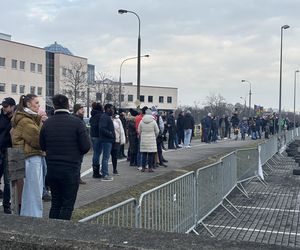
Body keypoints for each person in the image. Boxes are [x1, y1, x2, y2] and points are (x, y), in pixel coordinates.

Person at [39, 94, 90, 220]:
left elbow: (42, 145)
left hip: (52, 169)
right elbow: (85, 146)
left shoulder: (47, 123)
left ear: (54, 106)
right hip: (71, 168)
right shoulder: (77, 123)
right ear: (68, 105)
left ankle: (52, 230)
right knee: (67, 205)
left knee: (55, 203)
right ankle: (61, 233)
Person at [11, 94, 45, 218]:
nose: (38, 105)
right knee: (34, 190)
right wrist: (41, 123)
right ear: (29, 104)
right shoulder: (26, 121)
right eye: (36, 103)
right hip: (30, 157)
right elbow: (37, 140)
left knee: (31, 190)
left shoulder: (26, 119)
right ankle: (34, 217)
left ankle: (30, 215)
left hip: (28, 157)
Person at [0, 97, 16, 214]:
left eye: (6, 106)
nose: (4, 108)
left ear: (12, 106)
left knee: (7, 181)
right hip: (1, 151)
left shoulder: (16, 119)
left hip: (10, 152)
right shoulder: (2, 117)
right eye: (3, 106)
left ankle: (7, 206)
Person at [99, 104, 116, 181]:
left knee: (106, 157)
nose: (113, 110)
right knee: (106, 158)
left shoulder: (106, 117)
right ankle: (105, 174)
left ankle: (103, 172)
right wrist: (110, 134)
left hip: (108, 140)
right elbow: (102, 128)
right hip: (106, 140)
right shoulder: (104, 117)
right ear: (107, 109)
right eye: (111, 109)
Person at [73, 103, 87, 185]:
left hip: (80, 145)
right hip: (76, 145)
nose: (83, 110)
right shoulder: (75, 119)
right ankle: (76, 178)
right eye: (81, 109)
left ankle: (78, 177)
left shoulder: (81, 119)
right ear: (77, 110)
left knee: (79, 162)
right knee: (76, 163)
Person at [89, 102, 103, 178]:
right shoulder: (100, 116)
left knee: (95, 153)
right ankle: (96, 172)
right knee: (97, 154)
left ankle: (95, 171)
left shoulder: (93, 116)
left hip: (93, 135)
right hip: (98, 136)